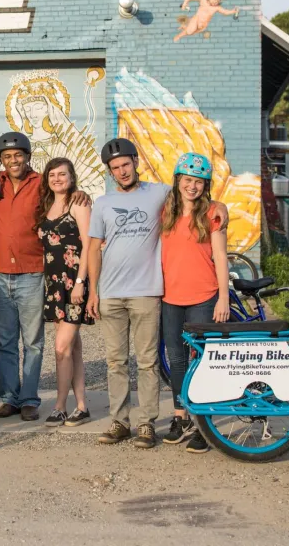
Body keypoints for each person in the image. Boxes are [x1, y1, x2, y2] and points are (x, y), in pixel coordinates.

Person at [0, 132, 85, 421]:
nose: (13, 160)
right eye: (7, 156)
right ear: (0, 160)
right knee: (4, 342)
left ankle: (29, 399)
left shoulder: (40, 183)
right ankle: (9, 399)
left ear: (27, 156)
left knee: (33, 341)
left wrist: (81, 193)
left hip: (32, 273)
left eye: (18, 155)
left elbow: (63, 195)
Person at [86, 137, 169, 449]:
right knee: (116, 362)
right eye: (115, 167)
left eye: (125, 164)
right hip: (110, 293)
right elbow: (93, 248)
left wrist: (220, 208)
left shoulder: (160, 192)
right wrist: (93, 292)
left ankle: (147, 423)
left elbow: (195, 196)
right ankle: (120, 422)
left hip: (146, 291)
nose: (121, 171)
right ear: (110, 172)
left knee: (147, 361)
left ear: (136, 162)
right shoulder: (103, 203)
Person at [159, 153, 230, 454]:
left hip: (204, 296)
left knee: (201, 360)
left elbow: (221, 257)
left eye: (199, 181)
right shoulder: (165, 211)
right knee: (176, 359)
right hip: (170, 298)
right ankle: (181, 417)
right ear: (178, 180)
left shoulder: (213, 213)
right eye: (187, 180)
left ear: (206, 185)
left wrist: (224, 297)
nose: (192, 186)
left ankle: (203, 423)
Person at [35, 158, 94, 427]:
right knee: (72, 348)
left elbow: (89, 244)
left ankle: (60, 406)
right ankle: (82, 406)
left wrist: (81, 282)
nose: (57, 179)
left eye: (62, 174)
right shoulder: (46, 205)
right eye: (52, 175)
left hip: (74, 284)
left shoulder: (78, 204)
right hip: (54, 285)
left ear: (72, 177)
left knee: (61, 348)